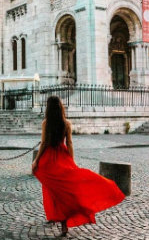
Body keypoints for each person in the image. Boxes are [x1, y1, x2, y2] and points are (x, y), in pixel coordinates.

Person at [32, 96, 125, 236]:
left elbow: (44, 143)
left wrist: (36, 161)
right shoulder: (66, 123)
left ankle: (54, 216)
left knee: (52, 187)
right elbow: (69, 143)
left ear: (48, 108)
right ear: (60, 108)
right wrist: (71, 162)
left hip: (49, 158)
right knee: (64, 189)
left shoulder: (46, 123)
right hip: (63, 156)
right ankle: (62, 221)